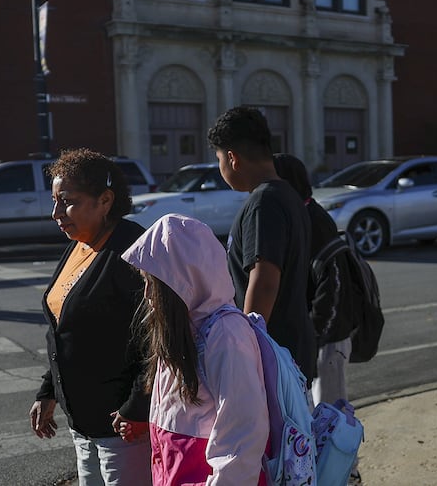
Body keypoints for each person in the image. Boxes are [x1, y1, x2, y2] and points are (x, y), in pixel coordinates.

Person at [29, 148, 152, 486]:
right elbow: (66, 331)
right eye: (55, 201)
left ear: (105, 200)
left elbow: (157, 342)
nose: (56, 213)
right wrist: (48, 391)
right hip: (83, 423)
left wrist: (137, 408)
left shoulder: (133, 253)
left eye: (68, 201)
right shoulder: (79, 244)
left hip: (123, 428)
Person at [123, 214, 270, 485]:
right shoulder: (183, 331)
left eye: (151, 283)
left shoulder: (225, 334)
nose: (146, 294)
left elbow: (243, 438)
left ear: (181, 281)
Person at [208, 106, 316, 384]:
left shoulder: (263, 203)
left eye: (219, 159)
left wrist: (244, 352)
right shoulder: (288, 195)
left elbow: (265, 280)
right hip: (290, 350)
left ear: (232, 159)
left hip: (272, 357)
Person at [273, 153, 357, 404]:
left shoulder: (315, 222)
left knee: (329, 421)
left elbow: (333, 284)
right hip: (314, 338)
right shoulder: (301, 215)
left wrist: (314, 336)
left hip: (328, 340)